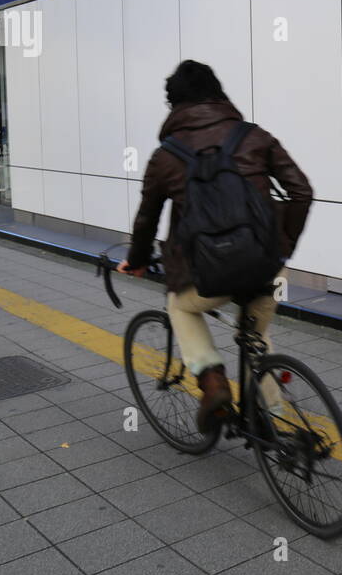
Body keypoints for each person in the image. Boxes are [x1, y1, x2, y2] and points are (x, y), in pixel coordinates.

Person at [119, 60, 313, 433]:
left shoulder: (166, 156)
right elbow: (302, 192)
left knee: (179, 306)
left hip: (205, 275)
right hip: (266, 267)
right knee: (256, 336)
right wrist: (280, 245)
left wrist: (137, 261)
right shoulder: (255, 137)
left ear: (174, 106)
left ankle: (212, 381)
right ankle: (276, 426)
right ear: (219, 93)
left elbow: (147, 220)